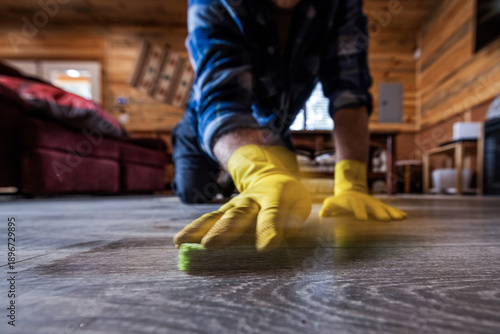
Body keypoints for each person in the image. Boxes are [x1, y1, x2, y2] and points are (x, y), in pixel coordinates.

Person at [172, 0, 407, 252]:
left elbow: (350, 93)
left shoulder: (341, 4)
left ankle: (236, 180)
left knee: (289, 195)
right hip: (205, 124)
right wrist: (259, 173)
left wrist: (353, 184)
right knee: (194, 191)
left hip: (271, 128)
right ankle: (233, 175)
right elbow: (223, 100)